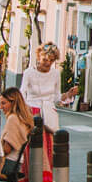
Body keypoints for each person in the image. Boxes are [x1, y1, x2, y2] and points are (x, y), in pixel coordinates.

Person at [21, 43, 76, 172]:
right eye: (45, 60)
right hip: (32, 113)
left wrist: (68, 94)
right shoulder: (29, 73)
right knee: (30, 149)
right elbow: (22, 93)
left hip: (49, 114)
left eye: (51, 60)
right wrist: (24, 111)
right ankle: (27, 180)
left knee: (49, 149)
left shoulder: (55, 74)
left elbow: (56, 97)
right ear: (39, 56)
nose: (48, 63)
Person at [0, 87, 34, 178]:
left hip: (10, 165)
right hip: (19, 163)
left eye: (3, 103)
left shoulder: (13, 119)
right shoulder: (23, 117)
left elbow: (7, 149)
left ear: (13, 103)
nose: (0, 107)